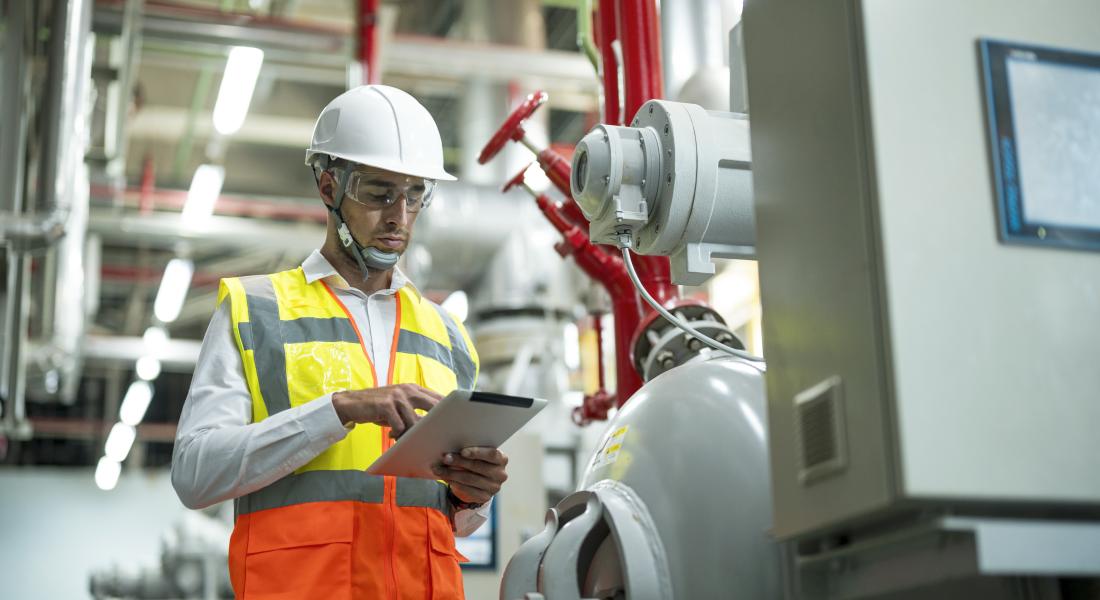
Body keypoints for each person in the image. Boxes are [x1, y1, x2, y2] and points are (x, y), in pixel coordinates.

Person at [171, 85, 508, 600]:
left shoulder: (449, 335)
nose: (399, 215)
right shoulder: (255, 311)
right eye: (379, 193)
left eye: (416, 193)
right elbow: (196, 475)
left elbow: (452, 523)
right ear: (330, 187)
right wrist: (341, 409)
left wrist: (471, 496)